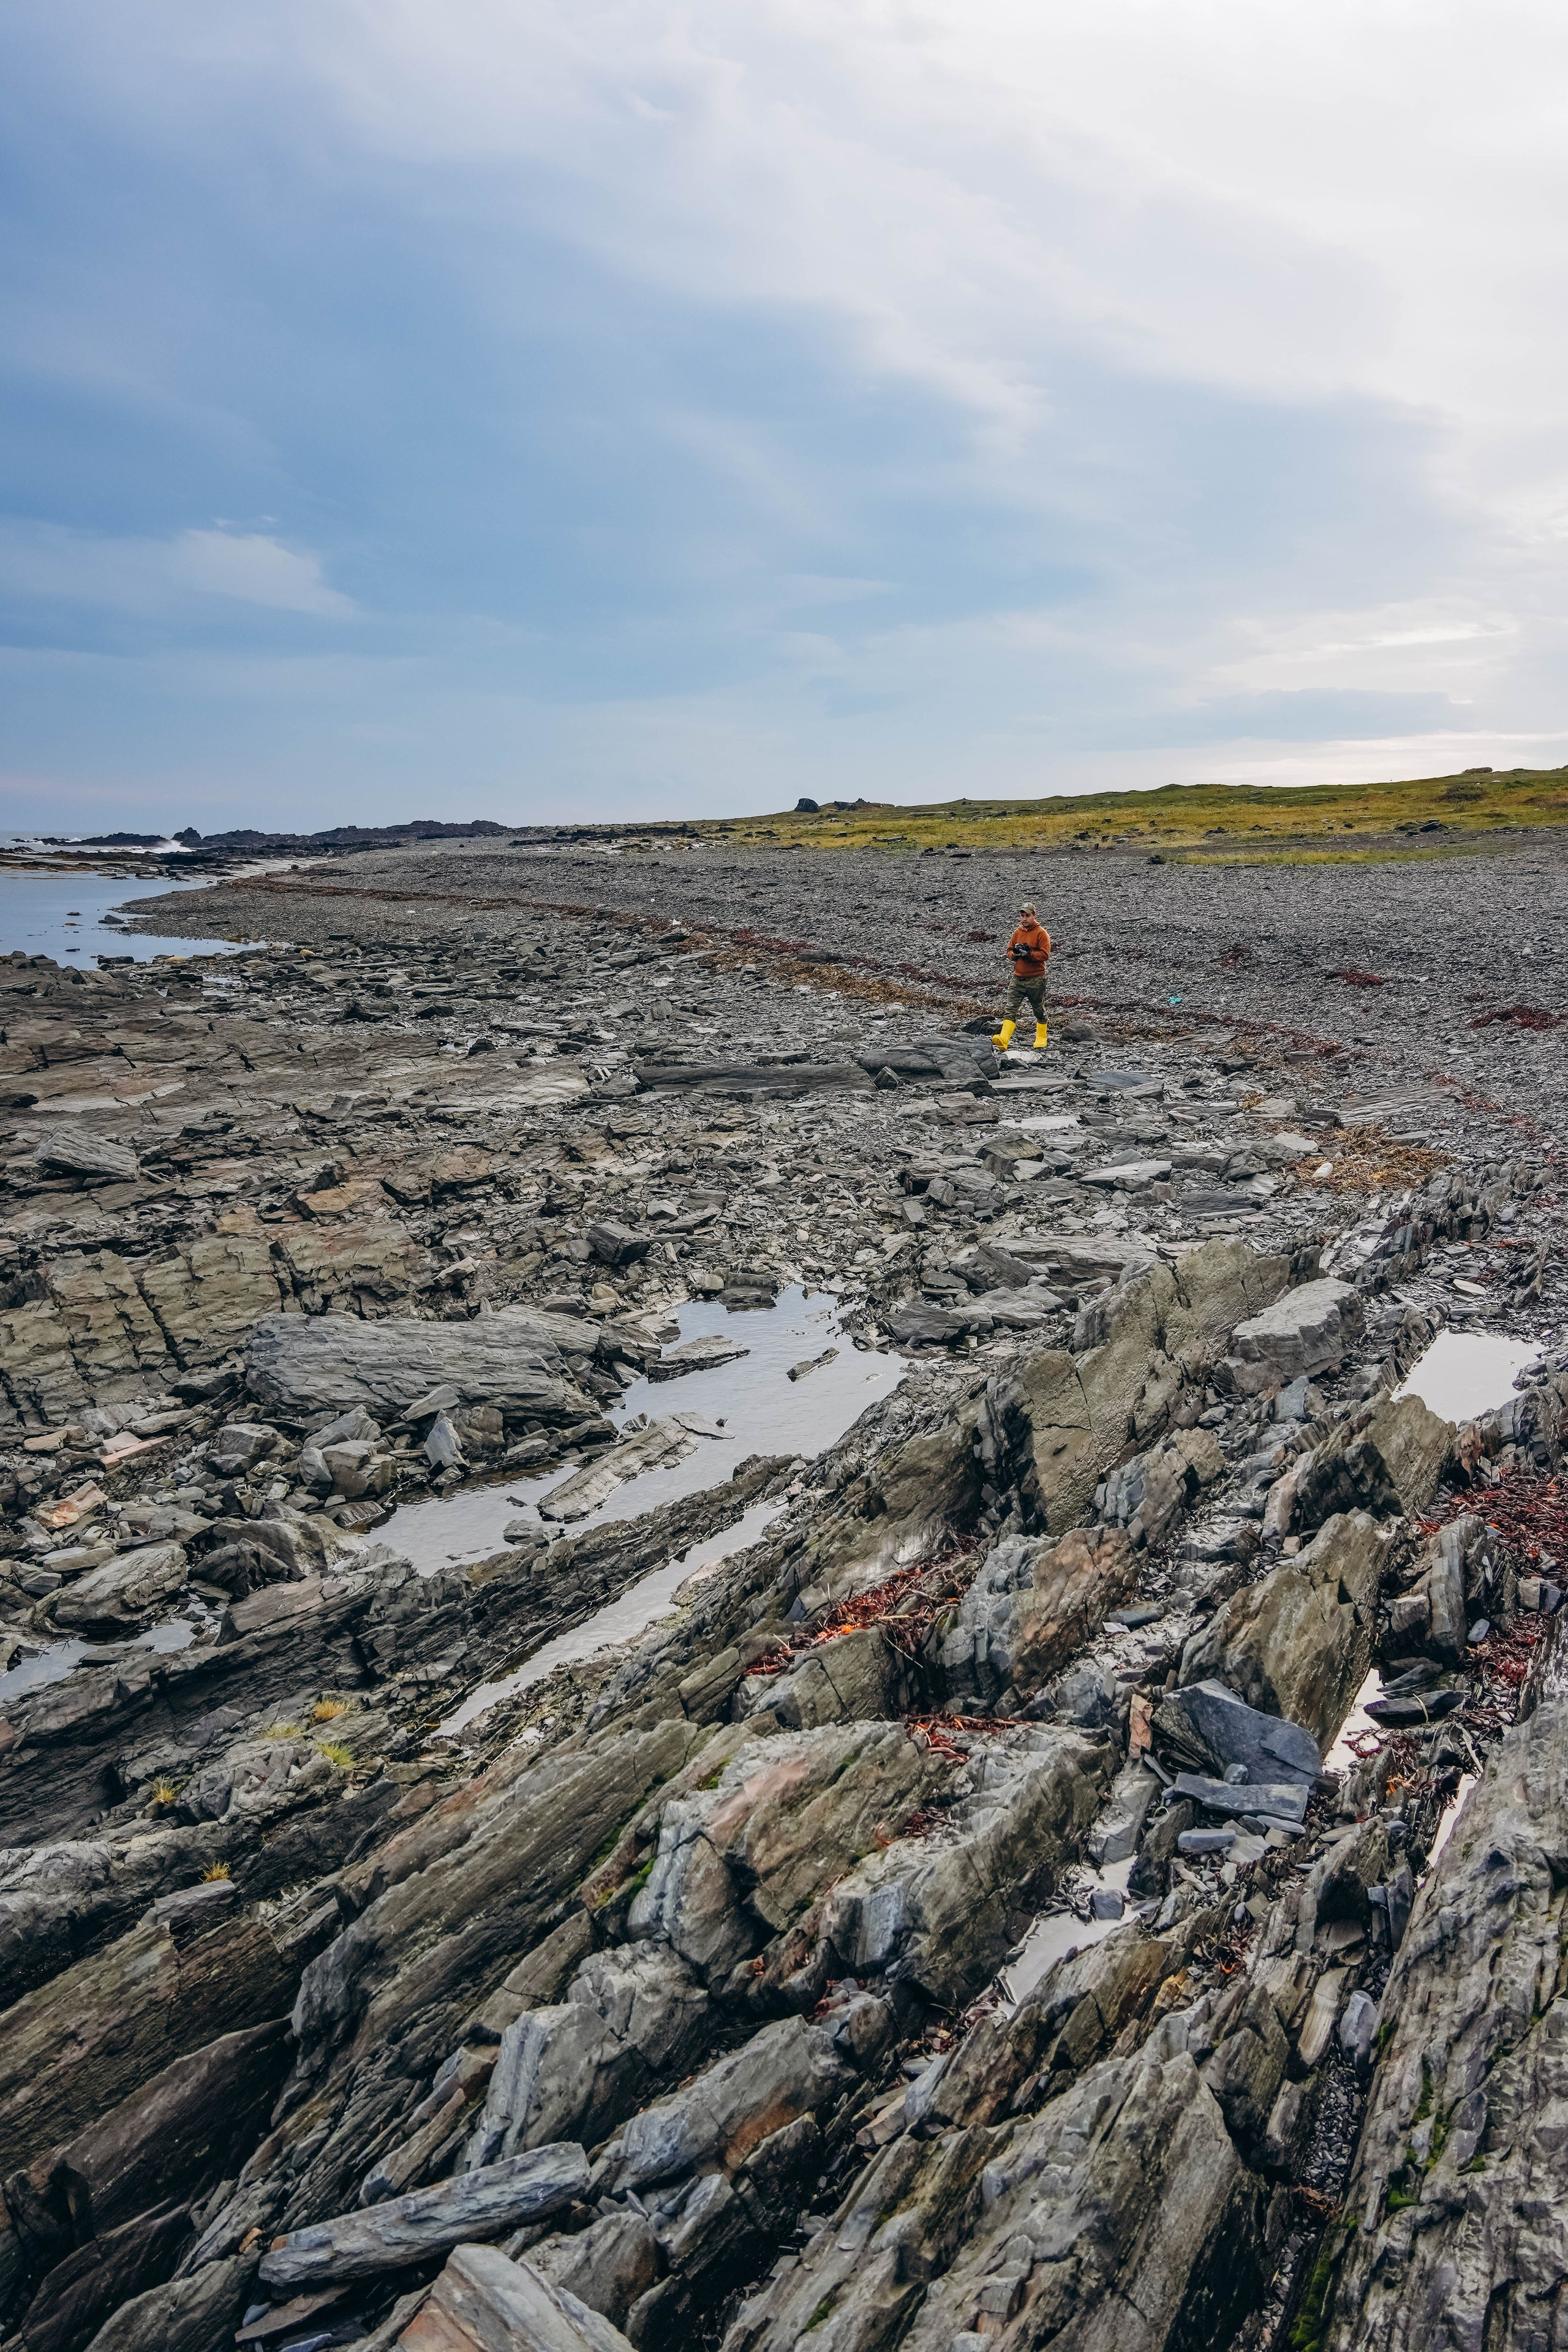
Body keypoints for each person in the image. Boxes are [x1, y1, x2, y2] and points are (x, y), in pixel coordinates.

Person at [992, 901, 1051, 1050]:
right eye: (1022, 916)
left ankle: (1041, 1037)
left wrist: (1029, 954)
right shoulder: (1017, 932)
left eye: (1028, 916)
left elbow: (1045, 955)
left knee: (1038, 1008)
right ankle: (1004, 1039)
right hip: (1017, 978)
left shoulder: (1041, 933)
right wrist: (1015, 954)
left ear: (1034, 916)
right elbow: (1009, 951)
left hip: (1036, 979)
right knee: (1010, 1008)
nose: (1025, 919)